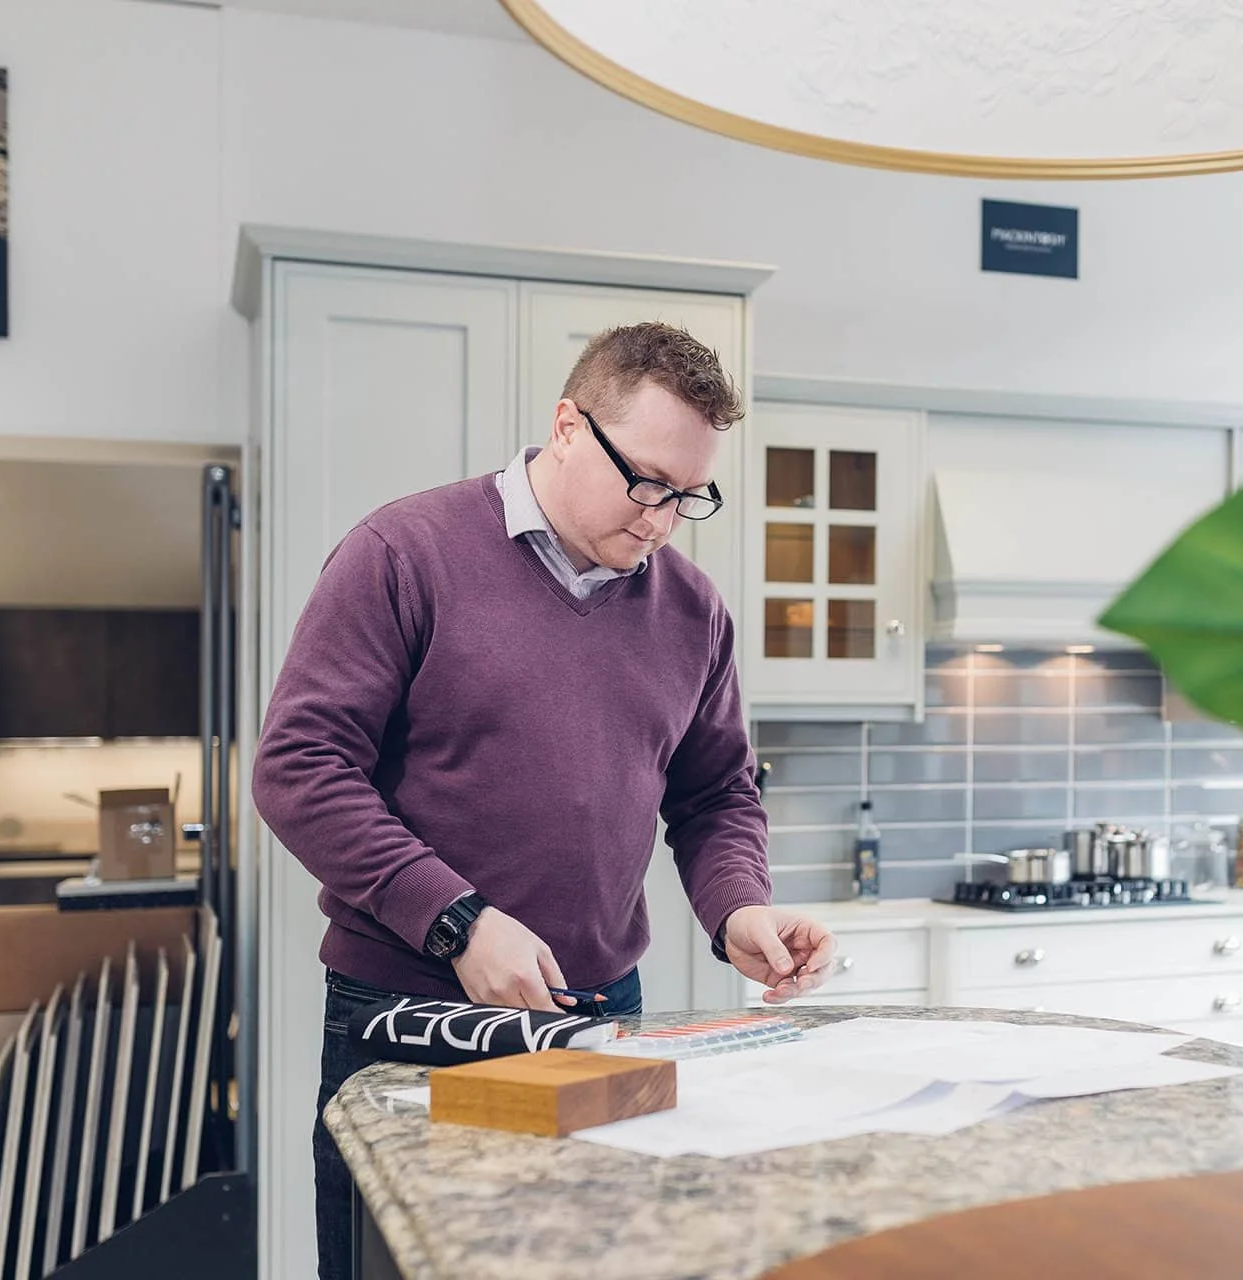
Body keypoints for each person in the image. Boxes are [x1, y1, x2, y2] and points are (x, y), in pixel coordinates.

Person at [251, 322, 835, 1280]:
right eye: (646, 480)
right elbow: (300, 765)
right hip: (415, 1011)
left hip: (604, 1019)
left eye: (691, 497)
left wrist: (739, 906)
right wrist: (458, 922)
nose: (661, 519)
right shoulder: (403, 552)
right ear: (568, 426)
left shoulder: (693, 611)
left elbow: (716, 795)